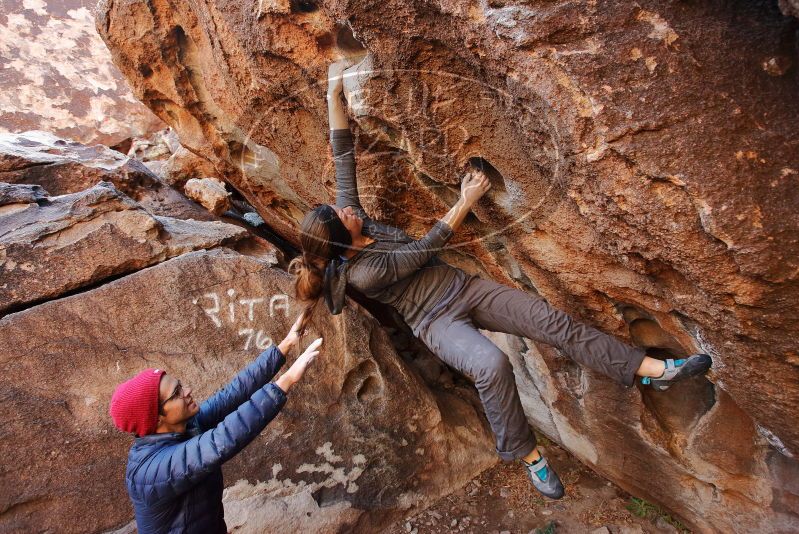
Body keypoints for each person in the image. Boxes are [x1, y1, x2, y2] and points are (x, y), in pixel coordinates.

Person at [287, 60, 712, 500]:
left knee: (551, 322)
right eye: (343, 215)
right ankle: (528, 455)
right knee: (491, 364)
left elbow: (342, 153)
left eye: (341, 207)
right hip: (436, 322)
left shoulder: (351, 224)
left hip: (464, 288)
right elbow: (426, 247)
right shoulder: (364, 271)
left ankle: (653, 370)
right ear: (344, 239)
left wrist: (332, 91)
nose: (347, 208)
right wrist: (466, 199)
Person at [109, 311, 322, 533]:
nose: (188, 391)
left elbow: (232, 394)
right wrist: (285, 381)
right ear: (156, 417)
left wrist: (285, 345)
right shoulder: (150, 472)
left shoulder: (187, 427)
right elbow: (222, 440)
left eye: (180, 385)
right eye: (177, 393)